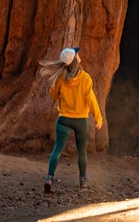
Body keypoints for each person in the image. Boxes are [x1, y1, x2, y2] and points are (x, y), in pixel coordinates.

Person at [39, 46, 103, 193]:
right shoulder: (85, 78)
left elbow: (54, 95)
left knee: (57, 150)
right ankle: (82, 180)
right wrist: (98, 118)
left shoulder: (60, 78)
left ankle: (49, 178)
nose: (79, 56)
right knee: (82, 151)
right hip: (80, 120)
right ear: (75, 61)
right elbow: (92, 100)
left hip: (64, 119)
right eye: (77, 55)